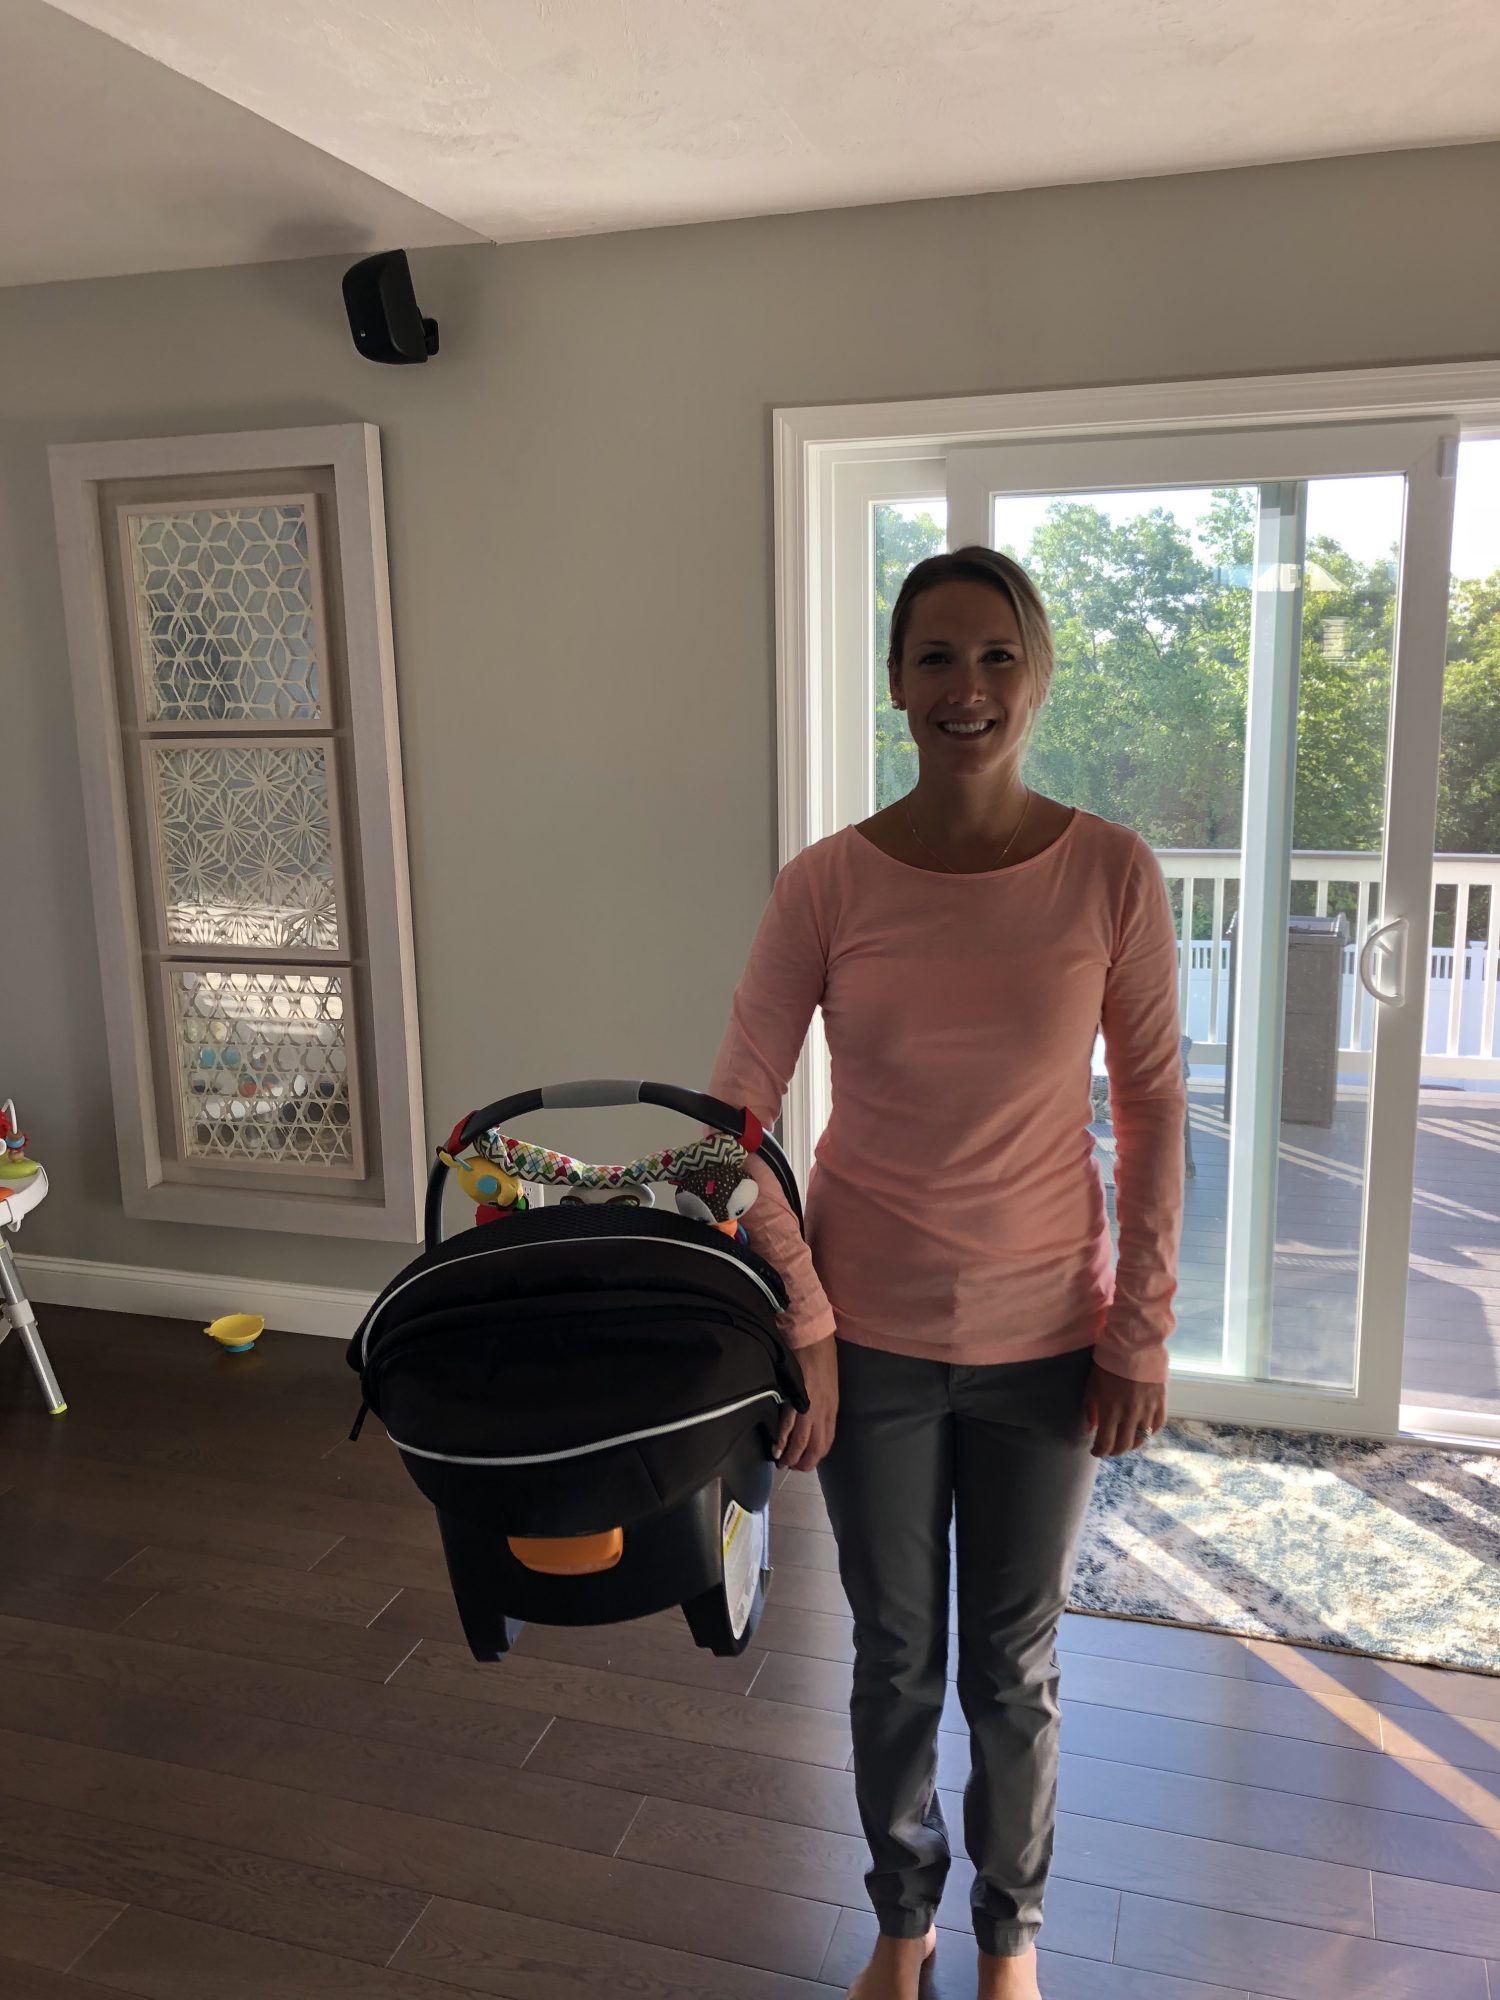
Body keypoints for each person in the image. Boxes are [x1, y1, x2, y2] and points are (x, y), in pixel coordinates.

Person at [707, 547, 1186, 2000]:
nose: (964, 688)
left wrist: (1140, 1329)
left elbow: (1155, 1107)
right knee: (896, 1655)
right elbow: (731, 1122)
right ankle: (903, 1921)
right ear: (896, 681)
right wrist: (808, 1319)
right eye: (934, 657)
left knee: (1013, 1667)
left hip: (1051, 1339)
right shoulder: (825, 883)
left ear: (1036, 676)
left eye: (995, 657)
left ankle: (1009, 1938)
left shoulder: (1111, 871)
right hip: (873, 1341)